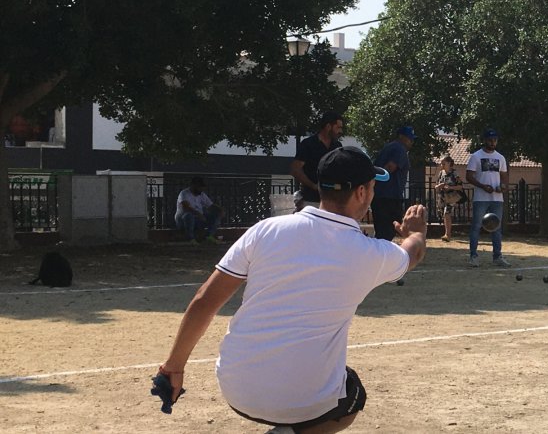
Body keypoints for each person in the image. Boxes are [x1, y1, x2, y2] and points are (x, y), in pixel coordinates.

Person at [155, 147, 428, 432]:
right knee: (352, 394)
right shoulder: (370, 253)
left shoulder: (265, 229)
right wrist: (416, 232)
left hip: (237, 388)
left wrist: (173, 367)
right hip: (304, 401)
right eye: (371, 188)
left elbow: (204, 301)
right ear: (361, 193)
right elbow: (412, 254)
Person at [465, 129, 510, 267]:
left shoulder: (500, 157)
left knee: (496, 227)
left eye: (495, 140)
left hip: (497, 198)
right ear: (485, 140)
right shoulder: (476, 156)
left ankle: (497, 256)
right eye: (490, 140)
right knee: (476, 226)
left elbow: (504, 177)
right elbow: (469, 176)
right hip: (481, 197)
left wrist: (502, 187)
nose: (493, 142)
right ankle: (474, 256)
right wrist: (482, 186)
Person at [291, 111, 344, 209]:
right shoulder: (308, 144)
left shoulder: (338, 146)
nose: (340, 131)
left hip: (332, 200)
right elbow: (295, 169)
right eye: (338, 127)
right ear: (328, 126)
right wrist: (314, 186)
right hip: (310, 200)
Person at [371, 125, 414, 241]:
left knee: (381, 232)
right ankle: (382, 257)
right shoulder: (400, 149)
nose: (411, 141)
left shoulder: (388, 147)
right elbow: (390, 167)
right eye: (409, 138)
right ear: (401, 137)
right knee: (388, 232)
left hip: (380, 195)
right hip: (390, 196)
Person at [176, 176, 223, 244]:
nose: (201, 189)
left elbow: (210, 205)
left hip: (198, 219)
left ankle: (208, 236)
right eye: (199, 187)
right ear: (193, 186)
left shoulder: (202, 194)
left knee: (215, 216)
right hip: (184, 220)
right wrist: (198, 214)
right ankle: (191, 239)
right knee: (188, 215)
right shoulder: (184, 193)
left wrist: (220, 209)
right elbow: (186, 207)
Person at [434, 155, 465, 242]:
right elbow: (436, 186)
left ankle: (447, 234)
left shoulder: (455, 174)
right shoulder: (441, 173)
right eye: (441, 163)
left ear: (449, 163)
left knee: (446, 213)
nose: (441, 165)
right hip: (442, 197)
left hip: (451, 197)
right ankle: (447, 233)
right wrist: (439, 186)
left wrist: (450, 188)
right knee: (444, 215)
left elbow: (460, 186)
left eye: (443, 163)